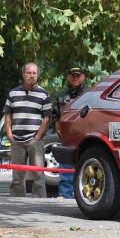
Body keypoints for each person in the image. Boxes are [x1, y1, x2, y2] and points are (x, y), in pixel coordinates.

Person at [4, 62, 51, 198]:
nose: (31, 76)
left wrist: (37, 137)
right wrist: (10, 136)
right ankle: (16, 204)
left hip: (34, 141)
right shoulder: (13, 93)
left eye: (34, 73)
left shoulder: (44, 94)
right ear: (23, 75)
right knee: (17, 177)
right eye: (29, 73)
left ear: (38, 75)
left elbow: (47, 118)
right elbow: (8, 116)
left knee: (38, 176)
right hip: (17, 141)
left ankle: (40, 204)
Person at [52, 63, 87, 199]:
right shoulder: (61, 95)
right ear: (68, 77)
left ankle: (83, 196)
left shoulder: (90, 93)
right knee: (66, 168)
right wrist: (59, 132)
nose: (75, 78)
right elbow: (55, 115)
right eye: (73, 76)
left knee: (84, 167)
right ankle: (65, 195)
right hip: (66, 137)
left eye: (78, 75)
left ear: (83, 77)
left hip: (84, 136)